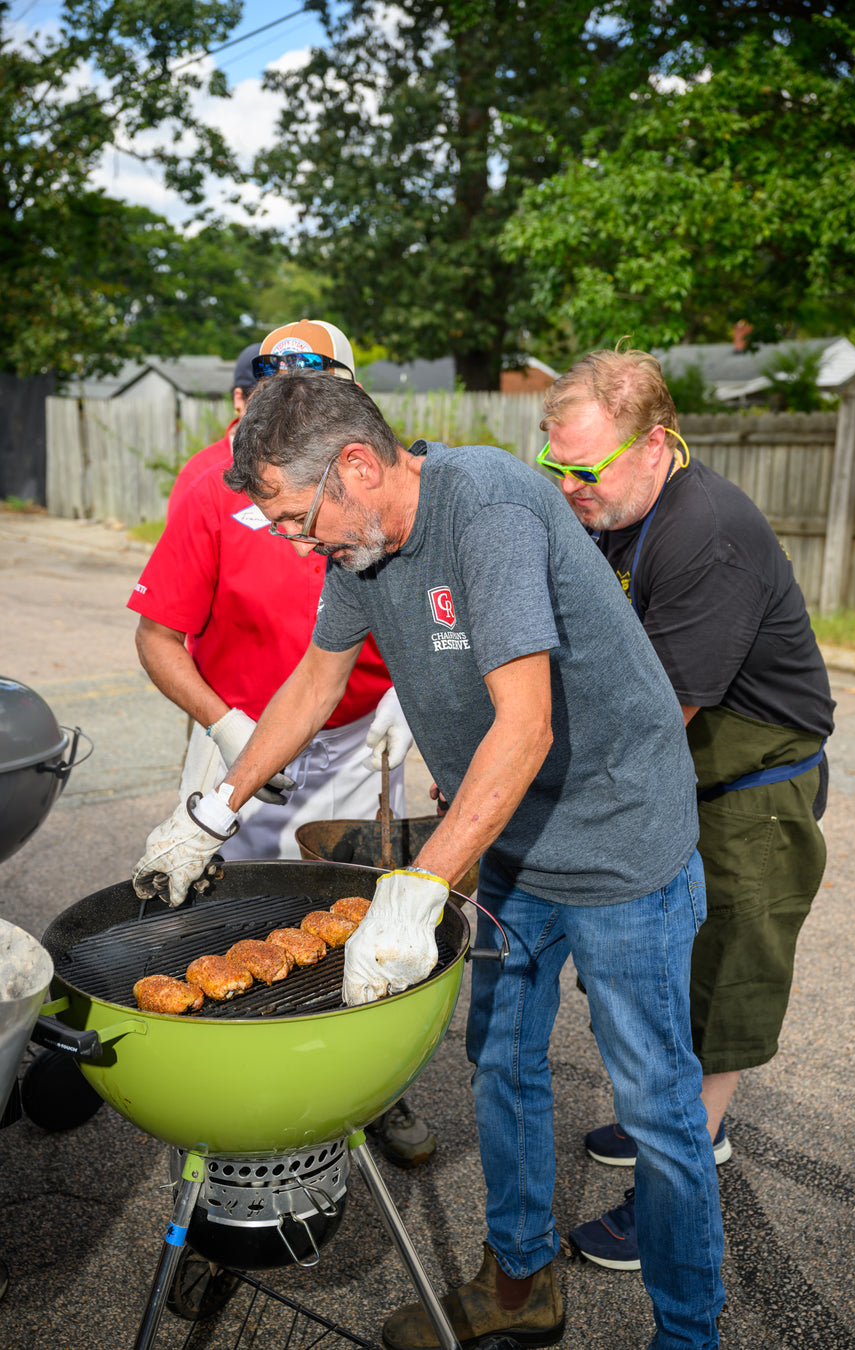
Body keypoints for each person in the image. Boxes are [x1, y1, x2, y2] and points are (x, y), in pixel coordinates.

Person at [131, 371, 725, 1350]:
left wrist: (410, 896)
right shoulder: (358, 548)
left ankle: (691, 1335)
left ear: (357, 466)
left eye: (291, 518)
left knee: (658, 1107)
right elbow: (313, 685)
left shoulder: (485, 507)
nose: (292, 541)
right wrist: (211, 811)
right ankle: (519, 1283)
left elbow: (524, 726)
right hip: (512, 841)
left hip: (622, 845)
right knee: (503, 1064)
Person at [538, 345, 835, 1269]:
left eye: (585, 469)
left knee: (717, 994)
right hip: (686, 777)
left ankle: (675, 1184)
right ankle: (667, 1124)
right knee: (668, 968)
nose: (569, 487)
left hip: (752, 794)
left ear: (658, 443)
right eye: (556, 467)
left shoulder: (703, 533)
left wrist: (522, 773)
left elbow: (649, 717)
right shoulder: (620, 508)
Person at [127, 320, 435, 1167]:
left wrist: (415, 699)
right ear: (242, 400)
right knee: (225, 915)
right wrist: (228, 731)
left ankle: (375, 1088)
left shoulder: (385, 479)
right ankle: (233, 1099)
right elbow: (159, 637)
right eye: (269, 391)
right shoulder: (206, 487)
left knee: (368, 911)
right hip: (242, 744)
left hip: (359, 741)